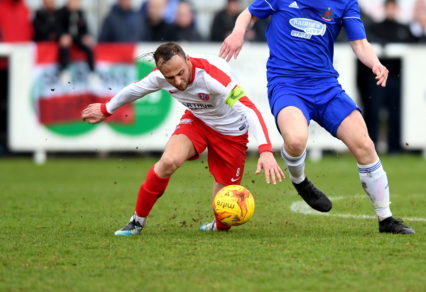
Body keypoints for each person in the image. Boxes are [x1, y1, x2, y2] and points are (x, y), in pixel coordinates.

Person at [219, 0, 415, 234]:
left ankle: (386, 218)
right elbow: (248, 13)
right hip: (287, 84)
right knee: (296, 140)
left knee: (364, 144)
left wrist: (374, 63)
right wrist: (237, 32)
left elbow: (359, 43)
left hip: (325, 86)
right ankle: (300, 180)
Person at [81, 42, 284, 235]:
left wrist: (265, 150)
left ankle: (218, 225)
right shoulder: (159, 77)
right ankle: (137, 221)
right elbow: (134, 90)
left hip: (231, 132)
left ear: (188, 59)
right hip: (198, 122)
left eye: (181, 73)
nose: (178, 81)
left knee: (225, 216)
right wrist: (105, 109)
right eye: (170, 78)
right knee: (168, 161)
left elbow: (249, 108)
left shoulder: (212, 77)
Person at [361, 0, 409, 155]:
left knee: (395, 113)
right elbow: (364, 41)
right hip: (376, 78)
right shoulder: (376, 27)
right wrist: (378, 42)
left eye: (393, 7)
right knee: (373, 113)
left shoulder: (404, 28)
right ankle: (371, 147)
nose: (391, 10)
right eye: (388, 7)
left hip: (395, 78)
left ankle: (395, 147)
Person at [55, 0, 97, 84]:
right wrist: (62, 36)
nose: (75, 2)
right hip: (66, 38)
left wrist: (87, 37)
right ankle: (64, 71)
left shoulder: (81, 13)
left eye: (77, 0)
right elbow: (57, 27)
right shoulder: (61, 12)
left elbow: (85, 28)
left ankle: (92, 72)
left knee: (89, 48)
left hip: (78, 38)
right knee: (64, 47)